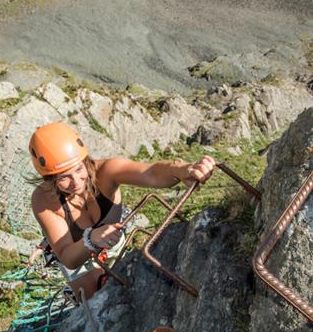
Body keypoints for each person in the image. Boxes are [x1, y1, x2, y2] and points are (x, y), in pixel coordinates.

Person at [28, 122, 215, 300]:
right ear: (49, 179)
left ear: (85, 161)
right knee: (94, 302)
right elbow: (68, 257)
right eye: (64, 177)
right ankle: (75, 292)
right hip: (77, 255)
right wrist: (90, 239)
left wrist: (182, 169)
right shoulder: (44, 201)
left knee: (125, 288)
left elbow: (150, 173)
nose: (76, 182)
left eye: (79, 169)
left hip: (112, 244)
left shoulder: (106, 172)